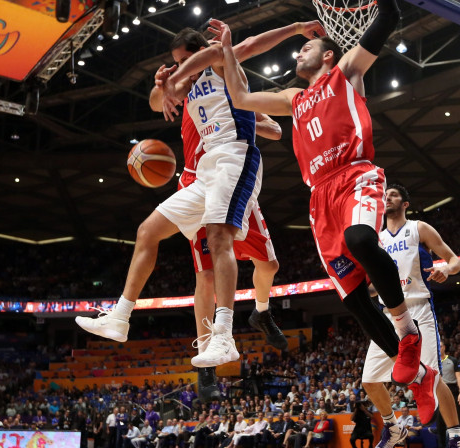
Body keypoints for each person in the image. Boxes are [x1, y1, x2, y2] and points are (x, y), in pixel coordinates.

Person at [218, 2, 427, 440]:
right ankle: (422, 376)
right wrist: (227, 53)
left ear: (327, 54)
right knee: (352, 299)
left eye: (306, 47)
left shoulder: (347, 71)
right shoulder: (293, 99)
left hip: (355, 175)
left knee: (362, 241)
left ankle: (407, 333)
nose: (298, 53)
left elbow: (387, 21)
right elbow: (239, 97)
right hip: (319, 198)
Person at [75, 19, 325, 369]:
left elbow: (251, 43)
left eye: (183, 60)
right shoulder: (186, 83)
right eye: (175, 61)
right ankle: (120, 316)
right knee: (148, 231)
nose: (179, 67)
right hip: (207, 167)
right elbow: (153, 102)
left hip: (236, 156)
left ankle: (224, 336)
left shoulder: (221, 62)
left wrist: (296, 27)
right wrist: (162, 84)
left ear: (199, 54)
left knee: (221, 238)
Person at [360, 186, 460, 448]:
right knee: (370, 381)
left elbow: (455, 260)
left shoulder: (419, 228)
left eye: (394, 194)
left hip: (418, 308)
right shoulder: (376, 240)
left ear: (405, 203)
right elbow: (373, 288)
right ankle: (393, 427)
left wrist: (446, 269)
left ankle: (456, 437)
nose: (387, 197)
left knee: (434, 376)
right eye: (385, 195)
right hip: (388, 315)